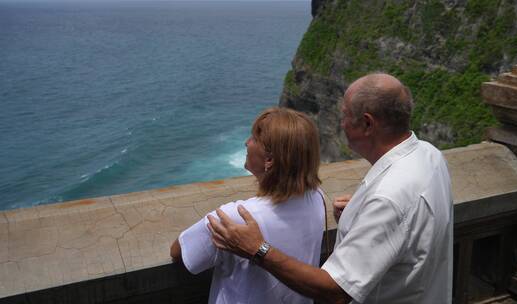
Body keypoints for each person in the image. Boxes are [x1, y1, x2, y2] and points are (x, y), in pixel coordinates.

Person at [208, 73, 453, 304]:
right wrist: (363, 214)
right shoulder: (429, 156)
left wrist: (258, 249)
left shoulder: (387, 199)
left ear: (367, 124)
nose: (341, 123)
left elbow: (335, 291)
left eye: (345, 115)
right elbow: (410, 229)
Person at [170, 107, 326, 304]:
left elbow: (179, 252)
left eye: (254, 138)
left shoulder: (236, 217)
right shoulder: (317, 197)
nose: (247, 142)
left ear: (269, 160)